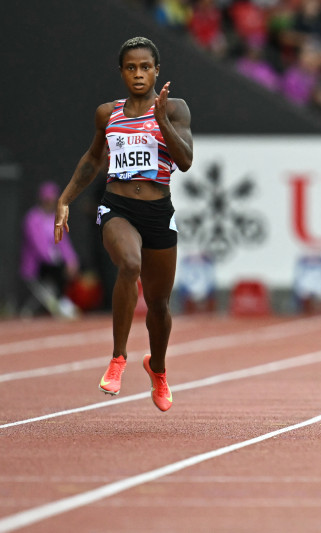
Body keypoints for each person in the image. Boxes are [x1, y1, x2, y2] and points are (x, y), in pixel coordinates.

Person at [55, 37, 193, 411]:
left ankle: (158, 369)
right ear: (121, 72)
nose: (138, 74)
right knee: (129, 264)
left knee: (160, 305)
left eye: (145, 67)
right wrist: (66, 198)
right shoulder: (108, 114)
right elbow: (92, 159)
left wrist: (161, 119)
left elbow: (185, 161)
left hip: (158, 212)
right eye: (130, 67)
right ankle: (118, 358)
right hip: (117, 207)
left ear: (156, 70)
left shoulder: (175, 109)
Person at [19, 181, 80, 318]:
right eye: (47, 200)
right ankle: (61, 302)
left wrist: (71, 260)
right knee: (58, 268)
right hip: (36, 266)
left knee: (67, 267)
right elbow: (38, 245)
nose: (49, 202)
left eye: (52, 200)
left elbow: (64, 244)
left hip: (54, 264)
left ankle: (63, 300)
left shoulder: (56, 218)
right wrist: (54, 258)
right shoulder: (32, 218)